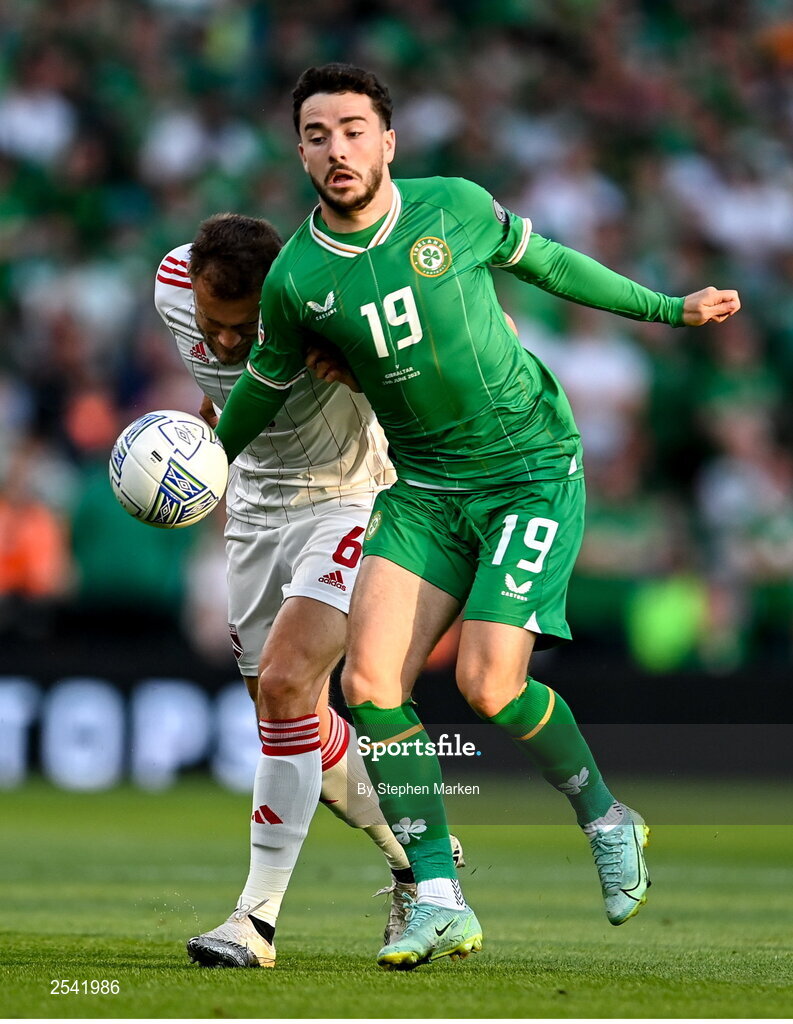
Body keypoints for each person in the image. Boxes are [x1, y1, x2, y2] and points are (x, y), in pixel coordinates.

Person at [213, 63, 741, 970]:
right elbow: (264, 386)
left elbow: (548, 263)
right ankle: (439, 898)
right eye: (314, 135)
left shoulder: (452, 206)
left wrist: (666, 308)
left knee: (490, 687)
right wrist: (206, 460)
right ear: (298, 152)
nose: (335, 150)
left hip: (529, 469)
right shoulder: (295, 279)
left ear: (386, 139)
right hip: (422, 488)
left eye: (350, 130)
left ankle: (607, 818)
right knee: (371, 688)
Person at [154, 213, 463, 969]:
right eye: (212, 323)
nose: (225, 340)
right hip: (252, 507)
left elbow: (443, 383)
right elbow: (217, 388)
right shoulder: (169, 285)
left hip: (352, 499)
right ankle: (418, 854)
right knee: (286, 715)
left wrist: (366, 371)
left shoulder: (334, 308)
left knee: (291, 683)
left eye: (243, 327)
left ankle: (253, 922)